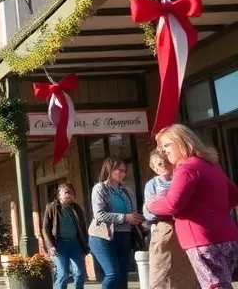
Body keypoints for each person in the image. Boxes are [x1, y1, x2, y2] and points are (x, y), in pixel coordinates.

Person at [145, 124, 238, 289]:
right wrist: (213, 211)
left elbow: (172, 204)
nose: (163, 151)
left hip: (201, 240)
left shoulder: (186, 167)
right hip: (228, 236)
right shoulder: (211, 165)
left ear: (181, 142)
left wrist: (151, 205)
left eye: (166, 145)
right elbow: (234, 196)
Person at [143, 148, 195, 289]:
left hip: (184, 227)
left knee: (185, 271)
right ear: (153, 168)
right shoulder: (152, 184)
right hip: (164, 229)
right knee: (162, 270)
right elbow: (148, 212)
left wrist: (163, 204)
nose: (162, 166)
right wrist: (165, 208)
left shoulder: (181, 179)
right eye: (158, 164)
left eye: (165, 162)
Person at [88, 156, 143, 289]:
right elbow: (99, 215)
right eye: (120, 170)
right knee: (113, 274)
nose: (123, 174)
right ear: (110, 169)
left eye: (125, 171)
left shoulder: (126, 190)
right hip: (103, 237)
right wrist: (125, 218)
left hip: (124, 235)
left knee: (123, 275)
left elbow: (131, 213)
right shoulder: (100, 188)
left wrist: (139, 218)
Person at [42, 182, 88, 289]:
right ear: (59, 194)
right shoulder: (52, 207)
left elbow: (83, 227)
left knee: (80, 273)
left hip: (75, 244)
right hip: (59, 244)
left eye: (71, 192)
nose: (69, 194)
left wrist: (85, 244)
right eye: (66, 192)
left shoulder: (76, 208)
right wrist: (51, 246)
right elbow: (46, 228)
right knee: (63, 274)